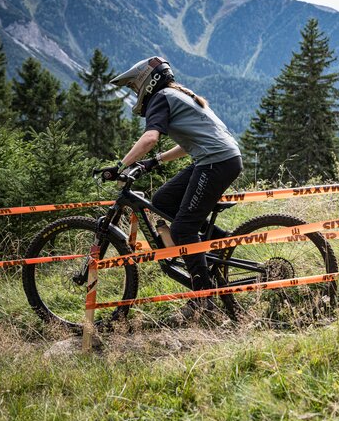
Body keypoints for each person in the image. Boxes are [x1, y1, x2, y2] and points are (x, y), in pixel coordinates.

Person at [102, 56, 243, 319]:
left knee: (183, 229)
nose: (135, 92)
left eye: (134, 86)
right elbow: (188, 144)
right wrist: (154, 161)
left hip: (215, 162)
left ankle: (203, 300)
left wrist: (120, 166)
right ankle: (218, 241)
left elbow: (150, 138)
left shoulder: (161, 98)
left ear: (147, 81)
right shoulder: (178, 95)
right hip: (217, 159)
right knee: (163, 200)